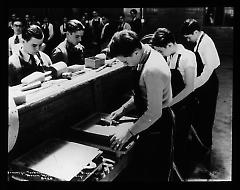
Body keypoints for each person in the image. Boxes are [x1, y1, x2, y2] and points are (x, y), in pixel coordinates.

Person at [106, 30, 174, 181]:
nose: (125, 65)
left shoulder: (152, 69)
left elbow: (155, 113)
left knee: (155, 173)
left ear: (136, 52)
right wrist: (122, 110)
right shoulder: (145, 53)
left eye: (125, 61)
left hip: (158, 124)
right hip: (150, 118)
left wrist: (128, 133)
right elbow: (143, 93)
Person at [150, 28, 197, 179]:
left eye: (160, 50)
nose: (159, 53)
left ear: (170, 45)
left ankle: (180, 171)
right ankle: (170, 166)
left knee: (180, 139)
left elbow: (189, 87)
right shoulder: (169, 55)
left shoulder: (187, 57)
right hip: (173, 102)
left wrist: (168, 103)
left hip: (185, 103)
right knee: (170, 138)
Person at [181, 18, 220, 169]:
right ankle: (200, 145)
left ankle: (204, 147)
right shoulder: (200, 40)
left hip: (209, 84)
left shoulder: (206, 43)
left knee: (206, 115)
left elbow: (207, 71)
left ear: (196, 32)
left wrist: (192, 85)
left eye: (189, 37)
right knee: (200, 115)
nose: (188, 40)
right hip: (204, 83)